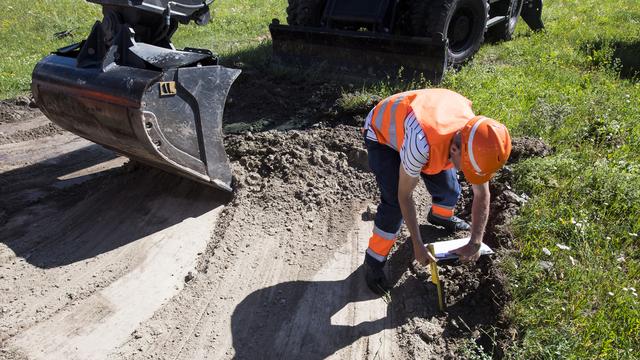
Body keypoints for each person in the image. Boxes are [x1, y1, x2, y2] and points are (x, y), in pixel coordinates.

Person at [362, 88, 512, 295]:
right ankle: (374, 261)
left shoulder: (476, 137)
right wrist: (418, 245)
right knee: (394, 206)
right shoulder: (421, 144)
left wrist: (476, 241)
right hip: (383, 134)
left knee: (450, 189)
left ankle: (440, 217)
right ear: (454, 150)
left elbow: (481, 192)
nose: (468, 175)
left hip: (422, 127)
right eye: (467, 169)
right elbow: (404, 195)